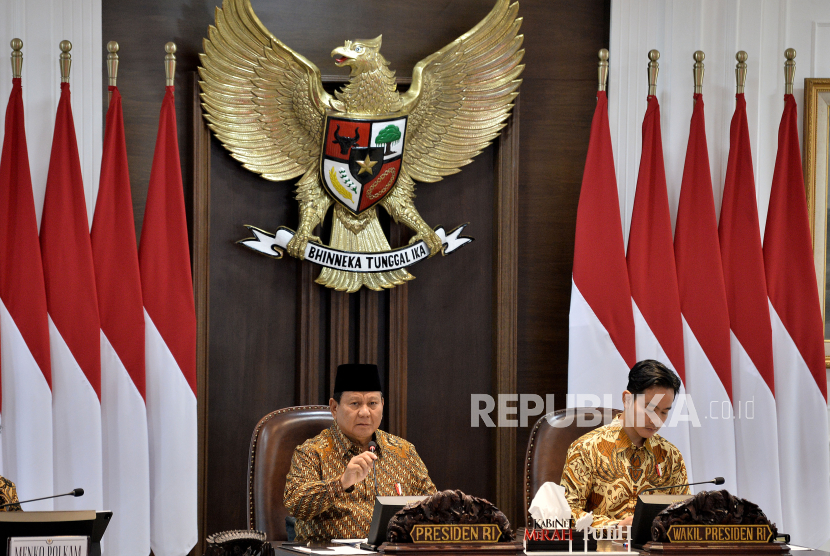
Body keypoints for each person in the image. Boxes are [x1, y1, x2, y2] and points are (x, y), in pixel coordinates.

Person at [284, 363, 436, 542]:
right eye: (355, 404)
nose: (365, 412)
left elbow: (432, 507)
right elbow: (295, 505)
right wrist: (341, 484)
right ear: (334, 408)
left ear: (382, 405)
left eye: (372, 403)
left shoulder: (403, 451)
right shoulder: (312, 452)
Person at [561, 360, 689, 529]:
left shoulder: (671, 456)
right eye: (650, 409)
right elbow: (565, 514)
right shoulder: (586, 449)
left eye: (664, 412)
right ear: (627, 399)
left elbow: (684, 516)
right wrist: (615, 526)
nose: (656, 420)